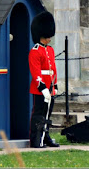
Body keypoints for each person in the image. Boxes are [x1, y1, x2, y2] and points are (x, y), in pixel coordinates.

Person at [29, 11, 60, 148]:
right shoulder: (35, 51)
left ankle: (45, 137)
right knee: (39, 114)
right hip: (40, 89)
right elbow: (35, 72)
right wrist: (42, 88)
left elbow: (53, 69)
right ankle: (36, 139)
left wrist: (55, 85)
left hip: (50, 87)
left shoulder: (50, 50)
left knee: (47, 115)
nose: (50, 38)